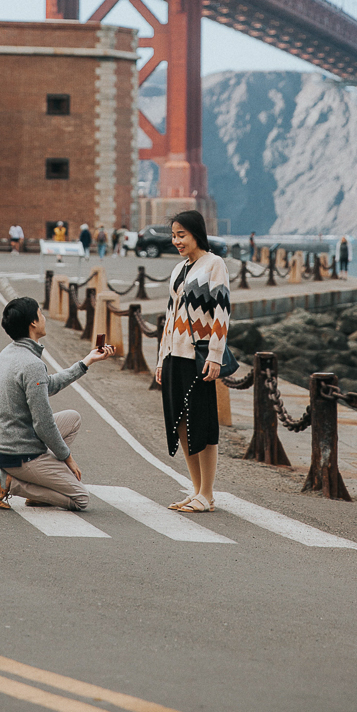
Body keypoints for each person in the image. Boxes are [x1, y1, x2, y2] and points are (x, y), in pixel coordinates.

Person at [0, 297, 115, 511]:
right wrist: (67, 458)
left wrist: (86, 362)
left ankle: (39, 485)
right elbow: (43, 424)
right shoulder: (31, 364)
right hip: (18, 452)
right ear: (33, 323)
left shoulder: (10, 352)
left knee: (72, 418)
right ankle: (8, 482)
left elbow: (47, 385)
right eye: (41, 314)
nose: (44, 317)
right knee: (80, 498)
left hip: (6, 442)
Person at [155, 209, 230, 514]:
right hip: (174, 355)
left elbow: (222, 314)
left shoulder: (215, 265)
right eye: (173, 236)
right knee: (181, 424)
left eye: (181, 235)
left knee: (203, 424)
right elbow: (170, 316)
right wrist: (161, 359)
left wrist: (215, 355)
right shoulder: (177, 270)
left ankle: (208, 494)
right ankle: (197, 490)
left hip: (198, 356)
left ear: (197, 232)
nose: (176, 241)